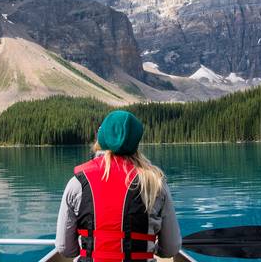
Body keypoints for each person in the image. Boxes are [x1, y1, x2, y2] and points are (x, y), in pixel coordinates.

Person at [55, 110, 182, 261]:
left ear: (101, 140)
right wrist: (151, 248)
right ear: (136, 142)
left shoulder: (77, 183)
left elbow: (65, 249)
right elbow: (170, 249)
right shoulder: (155, 183)